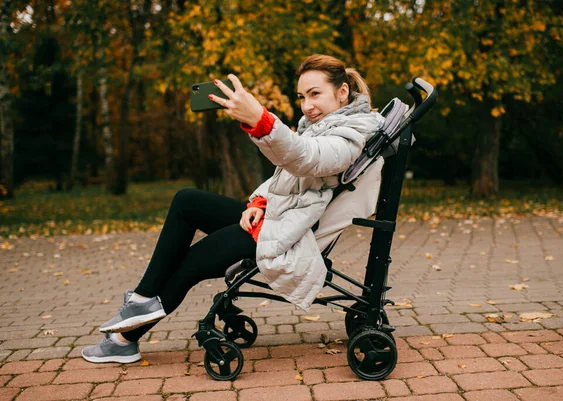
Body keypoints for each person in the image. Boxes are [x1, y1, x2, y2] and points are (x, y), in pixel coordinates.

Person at [82, 54, 385, 363]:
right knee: (187, 200)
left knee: (192, 262)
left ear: (343, 92)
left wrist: (262, 121)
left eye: (315, 94)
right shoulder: (322, 126)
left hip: (291, 236)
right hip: (278, 219)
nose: (307, 105)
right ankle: (143, 297)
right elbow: (291, 177)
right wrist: (260, 202)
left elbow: (307, 158)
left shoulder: (350, 135)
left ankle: (124, 340)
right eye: (302, 96)